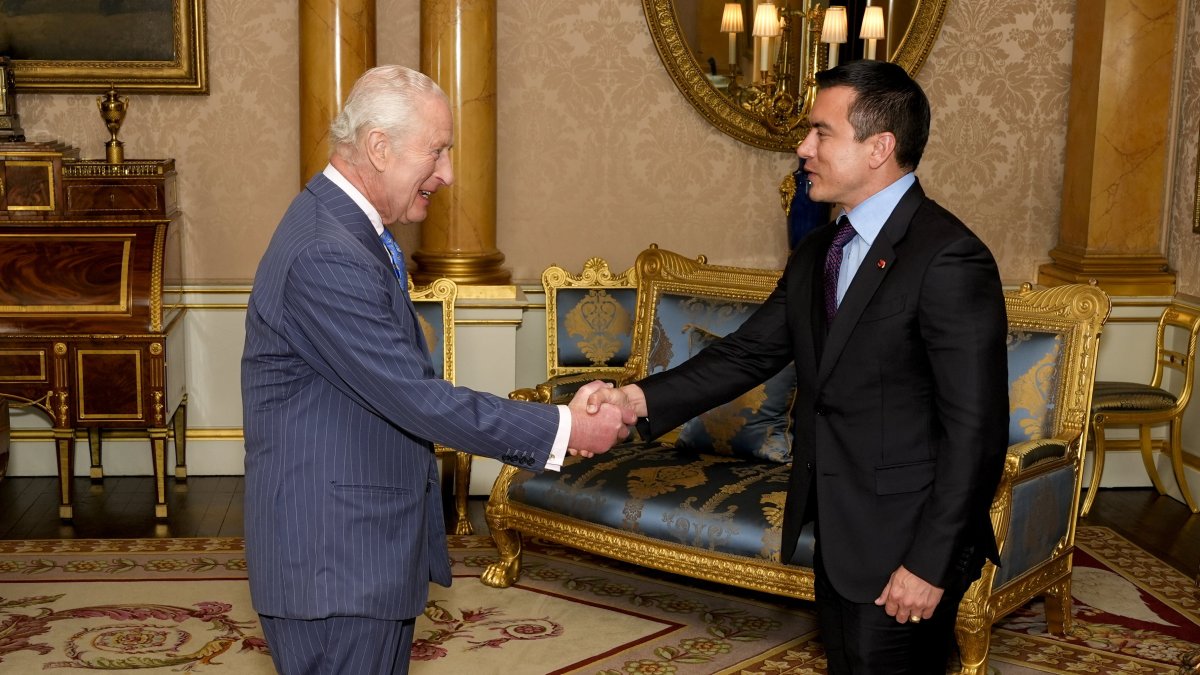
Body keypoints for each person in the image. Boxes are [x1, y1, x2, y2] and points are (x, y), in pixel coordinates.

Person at [587, 59, 1008, 674]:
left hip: (908, 542)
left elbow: (977, 432)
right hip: (839, 527)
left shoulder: (948, 257)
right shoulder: (822, 249)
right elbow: (747, 353)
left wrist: (929, 562)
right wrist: (634, 402)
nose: (802, 146)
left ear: (879, 148)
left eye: (821, 132)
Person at [240, 65, 633, 675]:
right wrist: (564, 428)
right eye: (438, 150)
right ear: (378, 146)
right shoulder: (327, 251)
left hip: (355, 553)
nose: (447, 173)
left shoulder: (350, 232)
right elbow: (415, 399)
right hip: (335, 565)